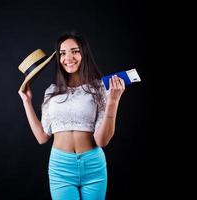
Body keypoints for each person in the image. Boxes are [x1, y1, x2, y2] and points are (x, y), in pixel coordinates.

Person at [18, 31, 125, 200]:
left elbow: (102, 141)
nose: (69, 57)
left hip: (93, 166)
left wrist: (113, 101)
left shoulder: (98, 88)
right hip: (61, 167)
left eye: (75, 51)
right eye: (62, 53)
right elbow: (41, 137)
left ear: (84, 53)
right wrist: (26, 101)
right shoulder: (51, 92)